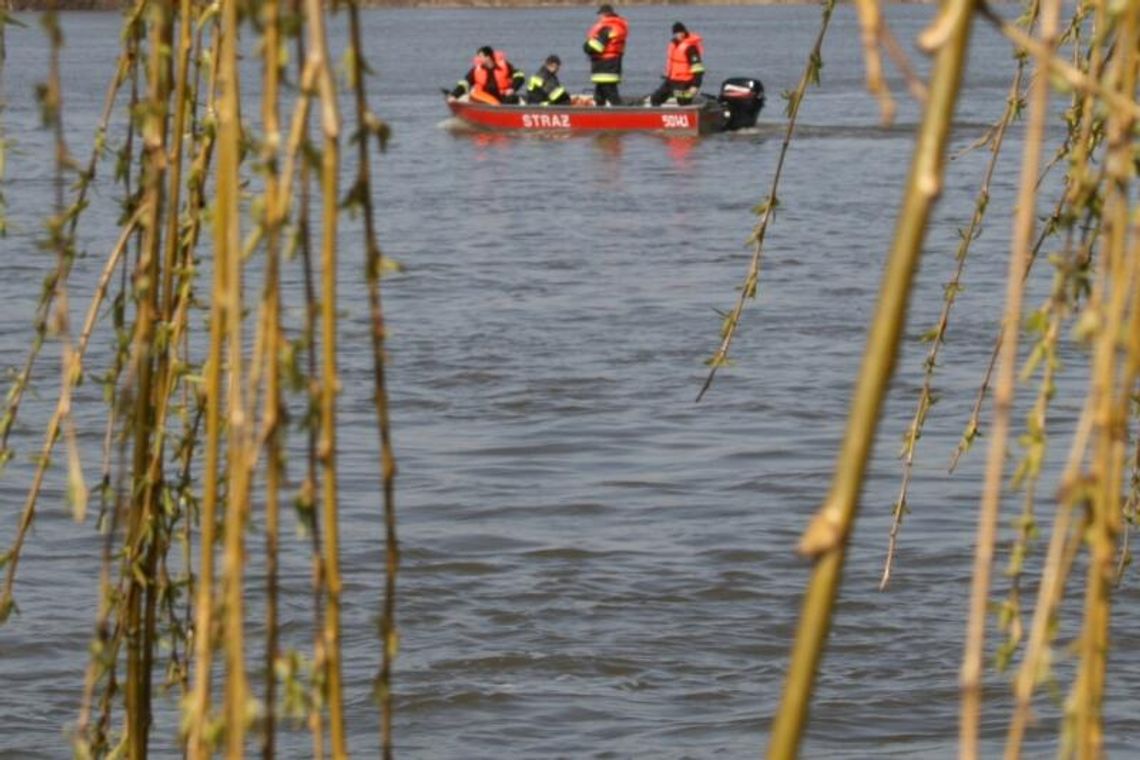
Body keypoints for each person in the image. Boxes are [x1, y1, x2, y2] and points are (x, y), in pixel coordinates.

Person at [650, 22, 706, 106]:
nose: (678, 35)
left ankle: (687, 116)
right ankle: (655, 115)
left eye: (680, 32)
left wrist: (695, 85)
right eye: (676, 33)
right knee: (656, 98)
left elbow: (698, 69)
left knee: (683, 102)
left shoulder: (690, 48)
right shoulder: (673, 44)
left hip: (684, 82)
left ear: (684, 32)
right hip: (671, 80)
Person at [583, 4, 628, 106]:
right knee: (600, 95)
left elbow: (596, 47)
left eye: (600, 15)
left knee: (611, 95)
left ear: (605, 14)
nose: (599, 17)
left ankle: (623, 116)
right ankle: (599, 117)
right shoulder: (618, 26)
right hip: (611, 64)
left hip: (605, 66)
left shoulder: (607, 27)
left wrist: (586, 46)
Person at [450, 46, 526, 105]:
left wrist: (513, 88)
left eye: (480, 56)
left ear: (488, 57)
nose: (478, 59)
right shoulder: (476, 70)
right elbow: (465, 83)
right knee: (472, 95)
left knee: (513, 99)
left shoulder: (505, 66)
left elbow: (519, 76)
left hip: (502, 98)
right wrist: (454, 95)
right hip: (484, 100)